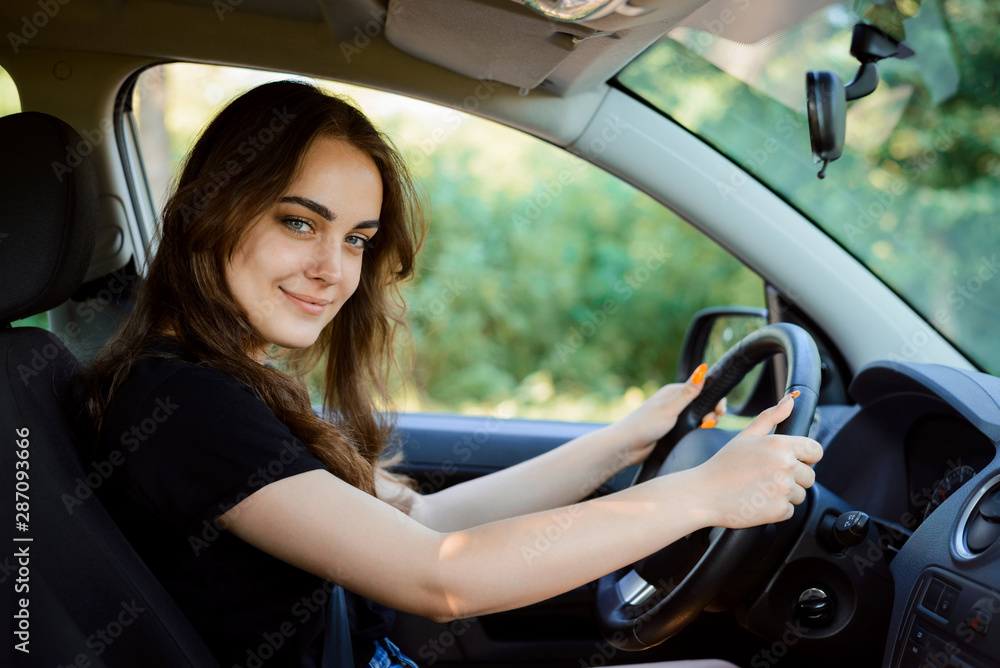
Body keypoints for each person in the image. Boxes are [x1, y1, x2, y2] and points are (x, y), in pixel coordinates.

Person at [68, 80, 823, 668]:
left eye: (357, 238)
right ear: (211, 212)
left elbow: (425, 525)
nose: (333, 270)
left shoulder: (227, 382)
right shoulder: (181, 403)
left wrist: (623, 445)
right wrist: (700, 494)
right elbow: (440, 579)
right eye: (299, 221)